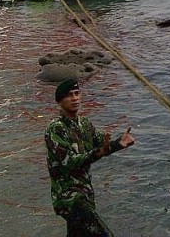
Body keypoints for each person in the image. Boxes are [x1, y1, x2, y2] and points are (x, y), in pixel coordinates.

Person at [44, 79, 135, 237]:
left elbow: (102, 145)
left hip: (85, 195)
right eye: (69, 95)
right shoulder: (55, 128)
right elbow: (69, 162)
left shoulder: (85, 124)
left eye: (77, 94)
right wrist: (98, 153)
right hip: (69, 198)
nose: (74, 98)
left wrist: (120, 143)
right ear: (59, 101)